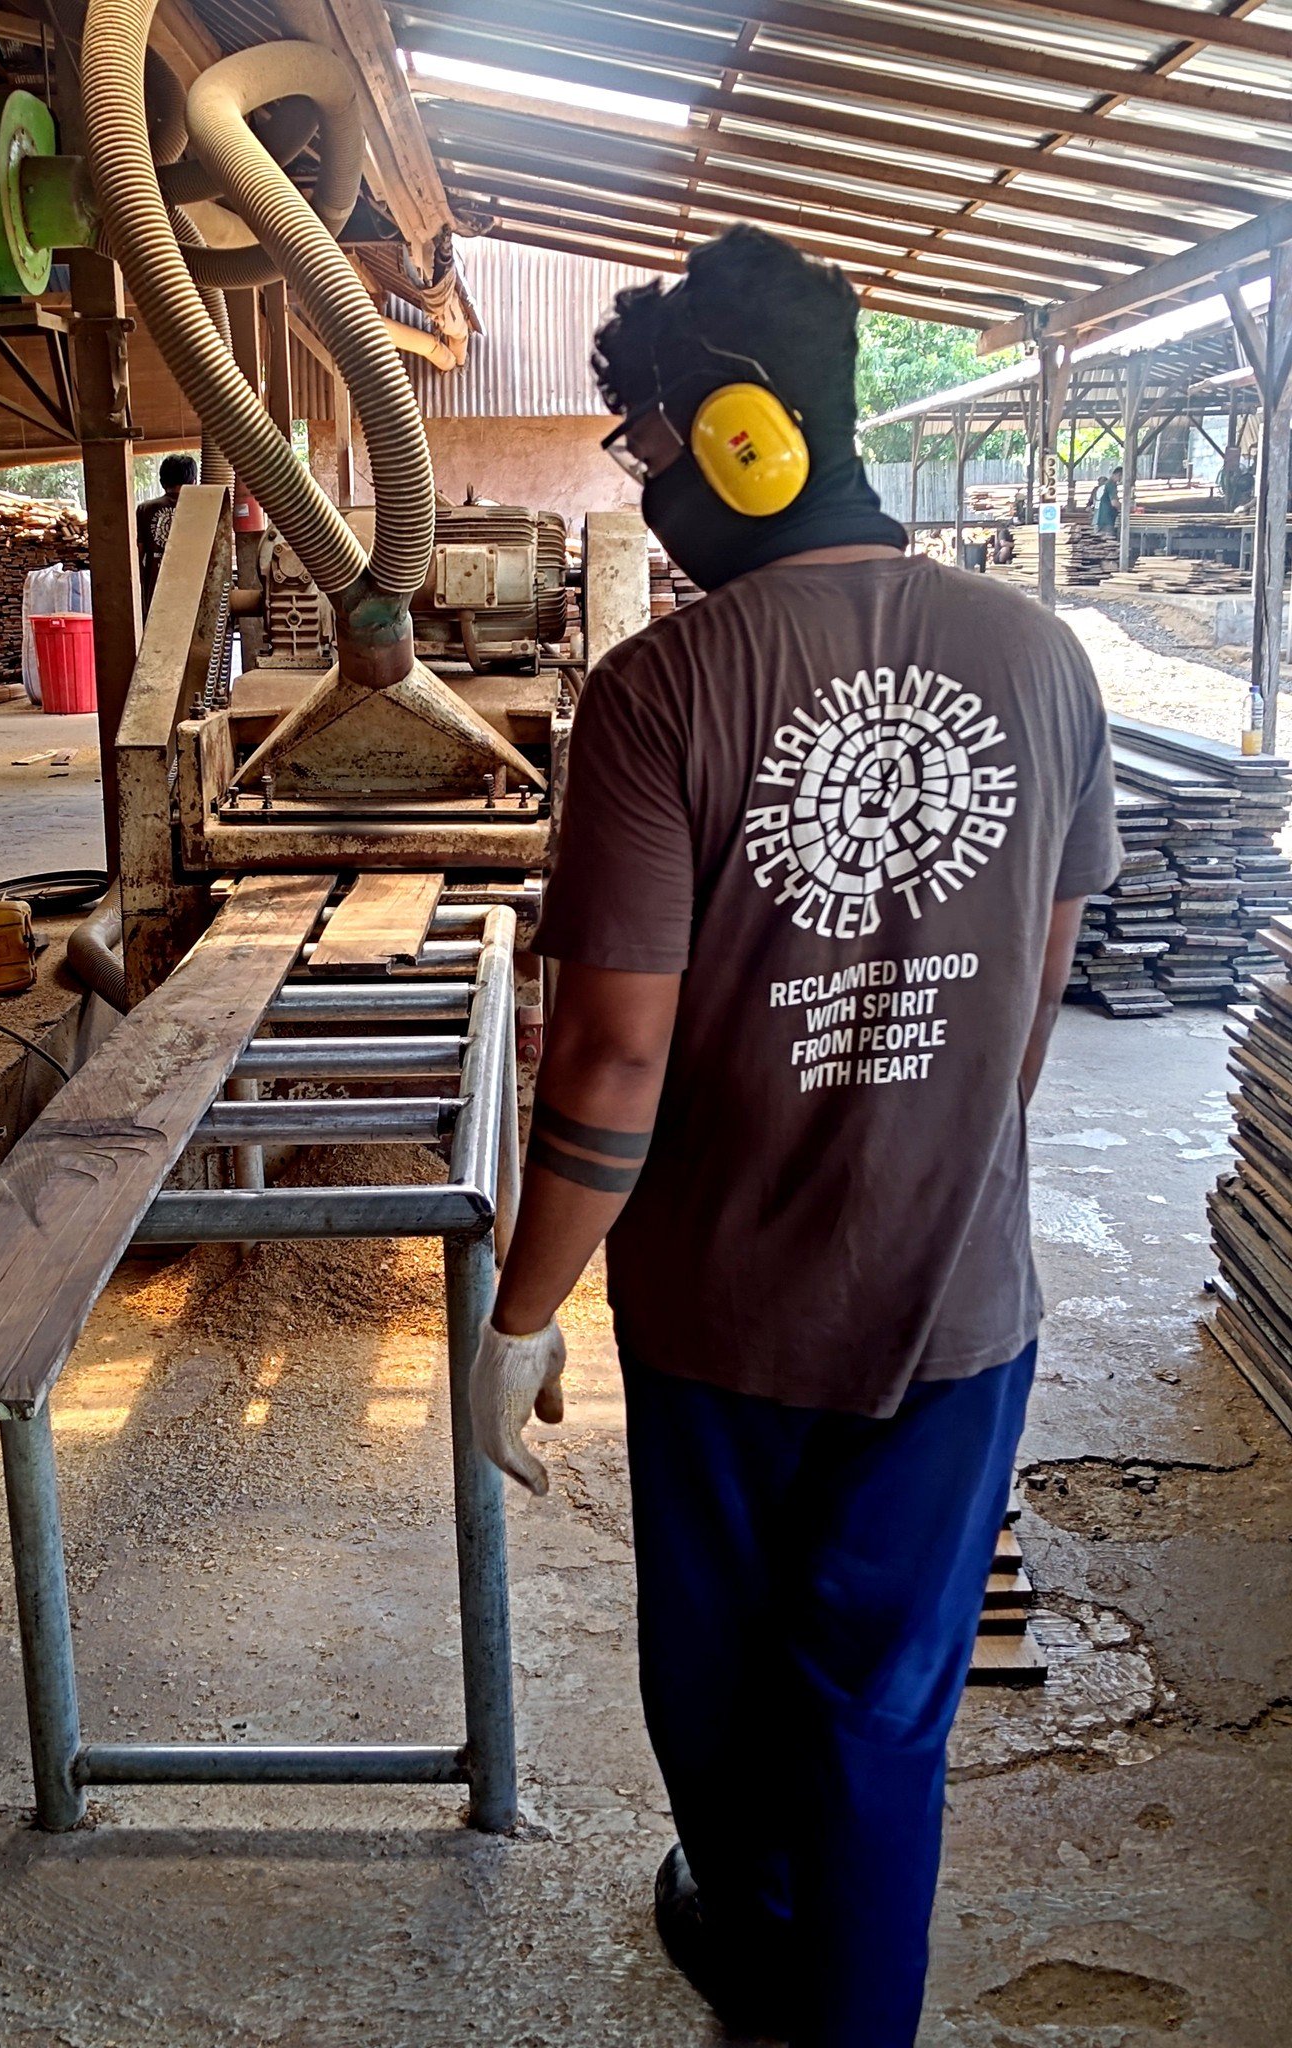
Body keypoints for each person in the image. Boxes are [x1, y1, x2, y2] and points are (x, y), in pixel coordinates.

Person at [468, 226, 1120, 2048]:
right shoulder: (1044, 656)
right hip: (959, 1307)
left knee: (723, 1661)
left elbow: (606, 1057)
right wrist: (923, 1170)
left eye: (654, 445)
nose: (649, 486)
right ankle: (812, 1969)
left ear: (742, 439)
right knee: (883, 1698)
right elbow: (1029, 1014)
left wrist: (519, 1316)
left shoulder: (663, 691)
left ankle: (779, 1949)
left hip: (722, 1313)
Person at [136, 453, 198, 612]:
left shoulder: (145, 509)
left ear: (162, 482)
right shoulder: (201, 510)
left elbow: (138, 554)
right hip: (193, 593)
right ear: (194, 481)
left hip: (156, 593)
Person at [1090, 465, 1123, 532]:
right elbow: (1114, 503)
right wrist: (1124, 508)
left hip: (1103, 519)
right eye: (1122, 477)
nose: (1122, 479)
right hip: (1107, 520)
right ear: (1119, 475)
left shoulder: (1108, 484)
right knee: (1107, 540)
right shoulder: (1111, 485)